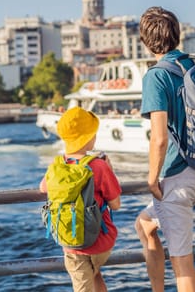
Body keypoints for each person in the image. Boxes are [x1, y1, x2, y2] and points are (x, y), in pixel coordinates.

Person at [135, 6, 195, 292]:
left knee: (183, 264)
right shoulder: (194, 64)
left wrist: (151, 178)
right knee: (144, 225)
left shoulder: (157, 76)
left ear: (145, 40)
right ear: (177, 35)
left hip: (178, 178)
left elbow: (159, 139)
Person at [39, 106, 122, 292]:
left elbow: (43, 187)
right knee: (93, 275)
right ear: (87, 139)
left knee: (84, 284)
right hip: (101, 242)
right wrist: (110, 170)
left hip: (70, 242)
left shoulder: (56, 165)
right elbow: (116, 204)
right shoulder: (99, 166)